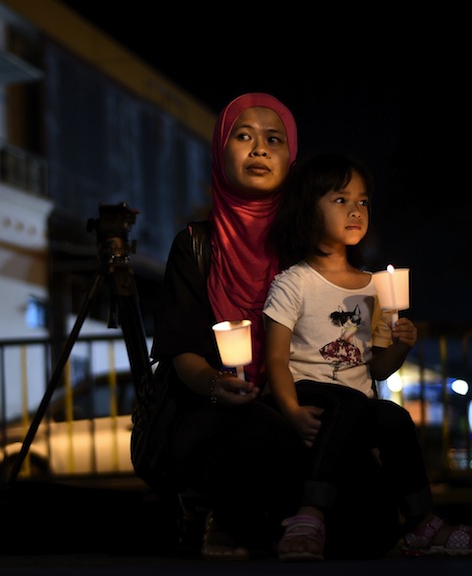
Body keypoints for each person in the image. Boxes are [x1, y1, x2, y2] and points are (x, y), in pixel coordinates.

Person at [264, 152, 472, 560]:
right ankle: (309, 514)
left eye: (363, 201)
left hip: (357, 407)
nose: (356, 210)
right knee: (351, 403)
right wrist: (291, 410)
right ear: (307, 208)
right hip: (309, 394)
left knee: (395, 416)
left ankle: (421, 522)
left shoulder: (376, 287)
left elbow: (378, 367)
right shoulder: (293, 282)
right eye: (340, 200)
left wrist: (402, 344)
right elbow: (276, 359)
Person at [150, 92, 308, 559]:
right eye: (243, 136)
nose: (259, 149)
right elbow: (182, 352)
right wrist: (218, 386)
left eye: (273, 140)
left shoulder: (308, 246)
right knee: (243, 424)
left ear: (290, 158)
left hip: (295, 402)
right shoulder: (195, 246)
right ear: (221, 153)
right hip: (212, 411)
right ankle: (230, 519)